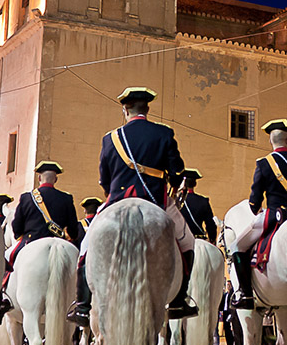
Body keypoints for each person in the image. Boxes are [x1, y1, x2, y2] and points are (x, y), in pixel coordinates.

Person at [69, 86, 195, 325]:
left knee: (86, 246)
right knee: (188, 242)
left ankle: (83, 305)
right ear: (147, 109)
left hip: (117, 200)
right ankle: (179, 300)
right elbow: (177, 172)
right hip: (156, 201)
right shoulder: (164, 133)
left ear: (125, 110)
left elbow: (104, 180)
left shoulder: (110, 138)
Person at [228, 118, 287, 310]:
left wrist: (255, 207)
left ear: (271, 141)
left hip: (277, 216)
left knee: (237, 246)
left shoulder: (264, 164)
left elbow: (254, 202)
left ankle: (245, 294)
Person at [0, 161, 81, 323]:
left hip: (30, 241)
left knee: (4, 259)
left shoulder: (27, 198)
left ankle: (0, 301)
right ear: (55, 179)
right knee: (82, 265)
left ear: (39, 178)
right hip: (60, 242)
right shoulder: (66, 198)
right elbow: (74, 230)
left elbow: (17, 226)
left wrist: (20, 234)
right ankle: (82, 304)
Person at [180, 169, 218, 244]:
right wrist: (212, 239)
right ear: (195, 184)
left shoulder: (175, 201)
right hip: (198, 239)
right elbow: (210, 224)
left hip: (180, 239)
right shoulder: (203, 201)